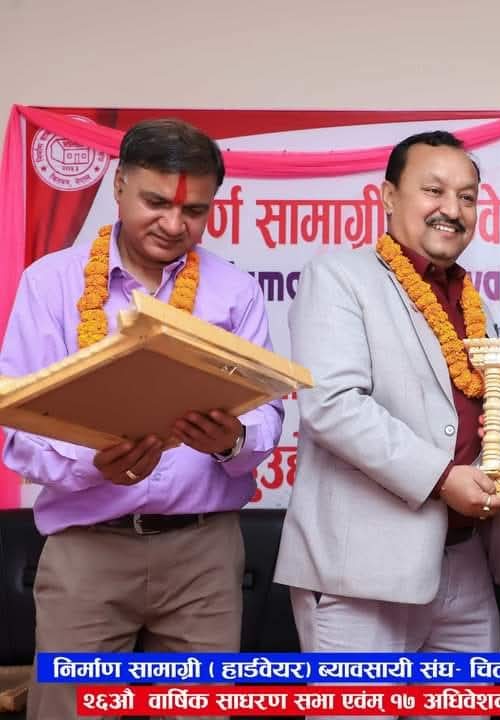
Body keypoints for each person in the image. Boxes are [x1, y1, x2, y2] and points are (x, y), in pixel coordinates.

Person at [0, 118, 284, 719]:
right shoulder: (50, 284)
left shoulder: (234, 291)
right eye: (156, 202)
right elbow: (16, 425)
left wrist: (233, 440)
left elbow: (268, 414)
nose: (174, 224)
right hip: (87, 549)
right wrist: (93, 463)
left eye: (194, 211)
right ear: (119, 186)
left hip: (203, 554)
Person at [274, 131, 500, 707]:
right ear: (388, 197)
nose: (452, 209)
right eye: (434, 190)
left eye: (467, 197)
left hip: (466, 562)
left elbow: (487, 414)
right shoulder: (338, 278)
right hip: (363, 573)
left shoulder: (474, 303)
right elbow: (332, 405)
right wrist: (442, 477)